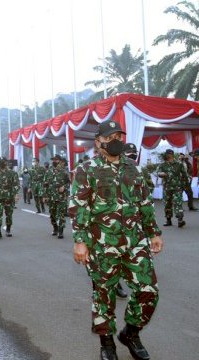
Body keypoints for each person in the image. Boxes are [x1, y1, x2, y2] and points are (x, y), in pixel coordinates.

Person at [70, 120, 163, 360]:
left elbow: (144, 203)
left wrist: (153, 232)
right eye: (110, 137)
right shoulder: (86, 169)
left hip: (135, 240)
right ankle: (107, 343)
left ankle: (131, 333)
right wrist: (81, 241)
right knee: (104, 294)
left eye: (118, 136)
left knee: (148, 290)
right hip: (101, 243)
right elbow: (79, 206)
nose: (115, 142)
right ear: (98, 142)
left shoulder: (133, 167)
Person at [157, 149, 187, 227]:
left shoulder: (179, 164)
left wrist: (184, 185)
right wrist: (161, 173)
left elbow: (184, 175)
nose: (168, 156)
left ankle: (180, 220)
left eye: (169, 154)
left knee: (178, 203)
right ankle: (168, 220)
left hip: (177, 187)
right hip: (167, 188)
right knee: (167, 204)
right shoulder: (163, 165)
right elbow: (158, 172)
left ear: (172, 155)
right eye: (167, 154)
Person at [0, 157, 20, 238]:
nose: (2, 163)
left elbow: (16, 184)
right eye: (0, 162)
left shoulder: (12, 173)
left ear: (6, 162)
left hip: (9, 197)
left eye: (3, 162)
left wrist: (15, 194)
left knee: (9, 214)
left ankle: (8, 230)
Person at [43, 155, 70, 239]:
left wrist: (64, 187)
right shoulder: (48, 172)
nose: (54, 161)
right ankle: (55, 228)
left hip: (61, 197)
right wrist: (44, 196)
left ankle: (61, 231)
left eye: (56, 160)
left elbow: (69, 183)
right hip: (51, 197)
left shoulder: (64, 172)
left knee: (61, 214)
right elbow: (45, 185)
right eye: (53, 160)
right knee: (52, 214)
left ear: (60, 161)